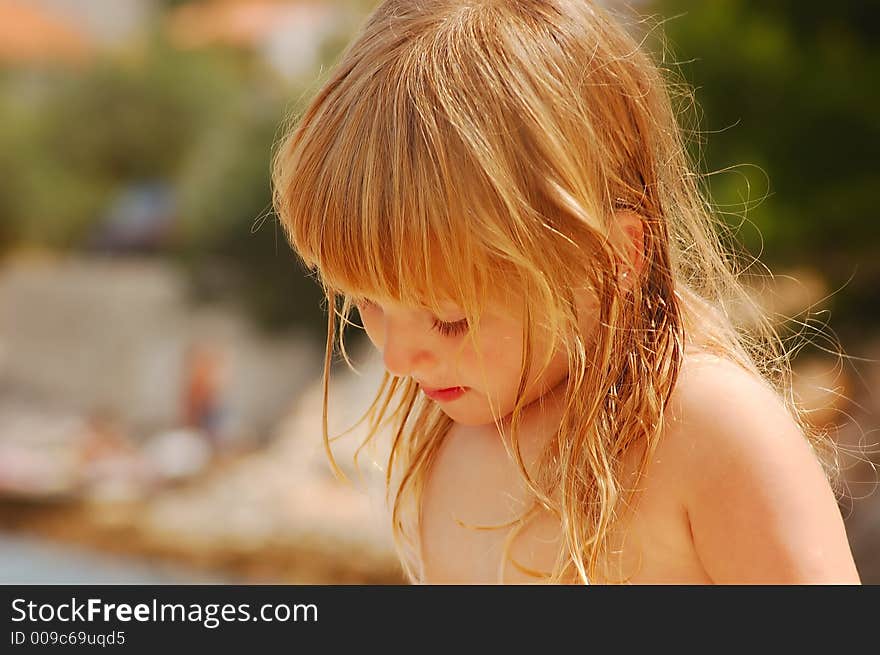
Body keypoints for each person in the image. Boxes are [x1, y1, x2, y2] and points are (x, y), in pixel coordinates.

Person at [271, 0, 861, 584]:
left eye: (450, 320)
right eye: (366, 304)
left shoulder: (707, 432)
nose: (398, 359)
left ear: (614, 257)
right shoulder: (452, 438)